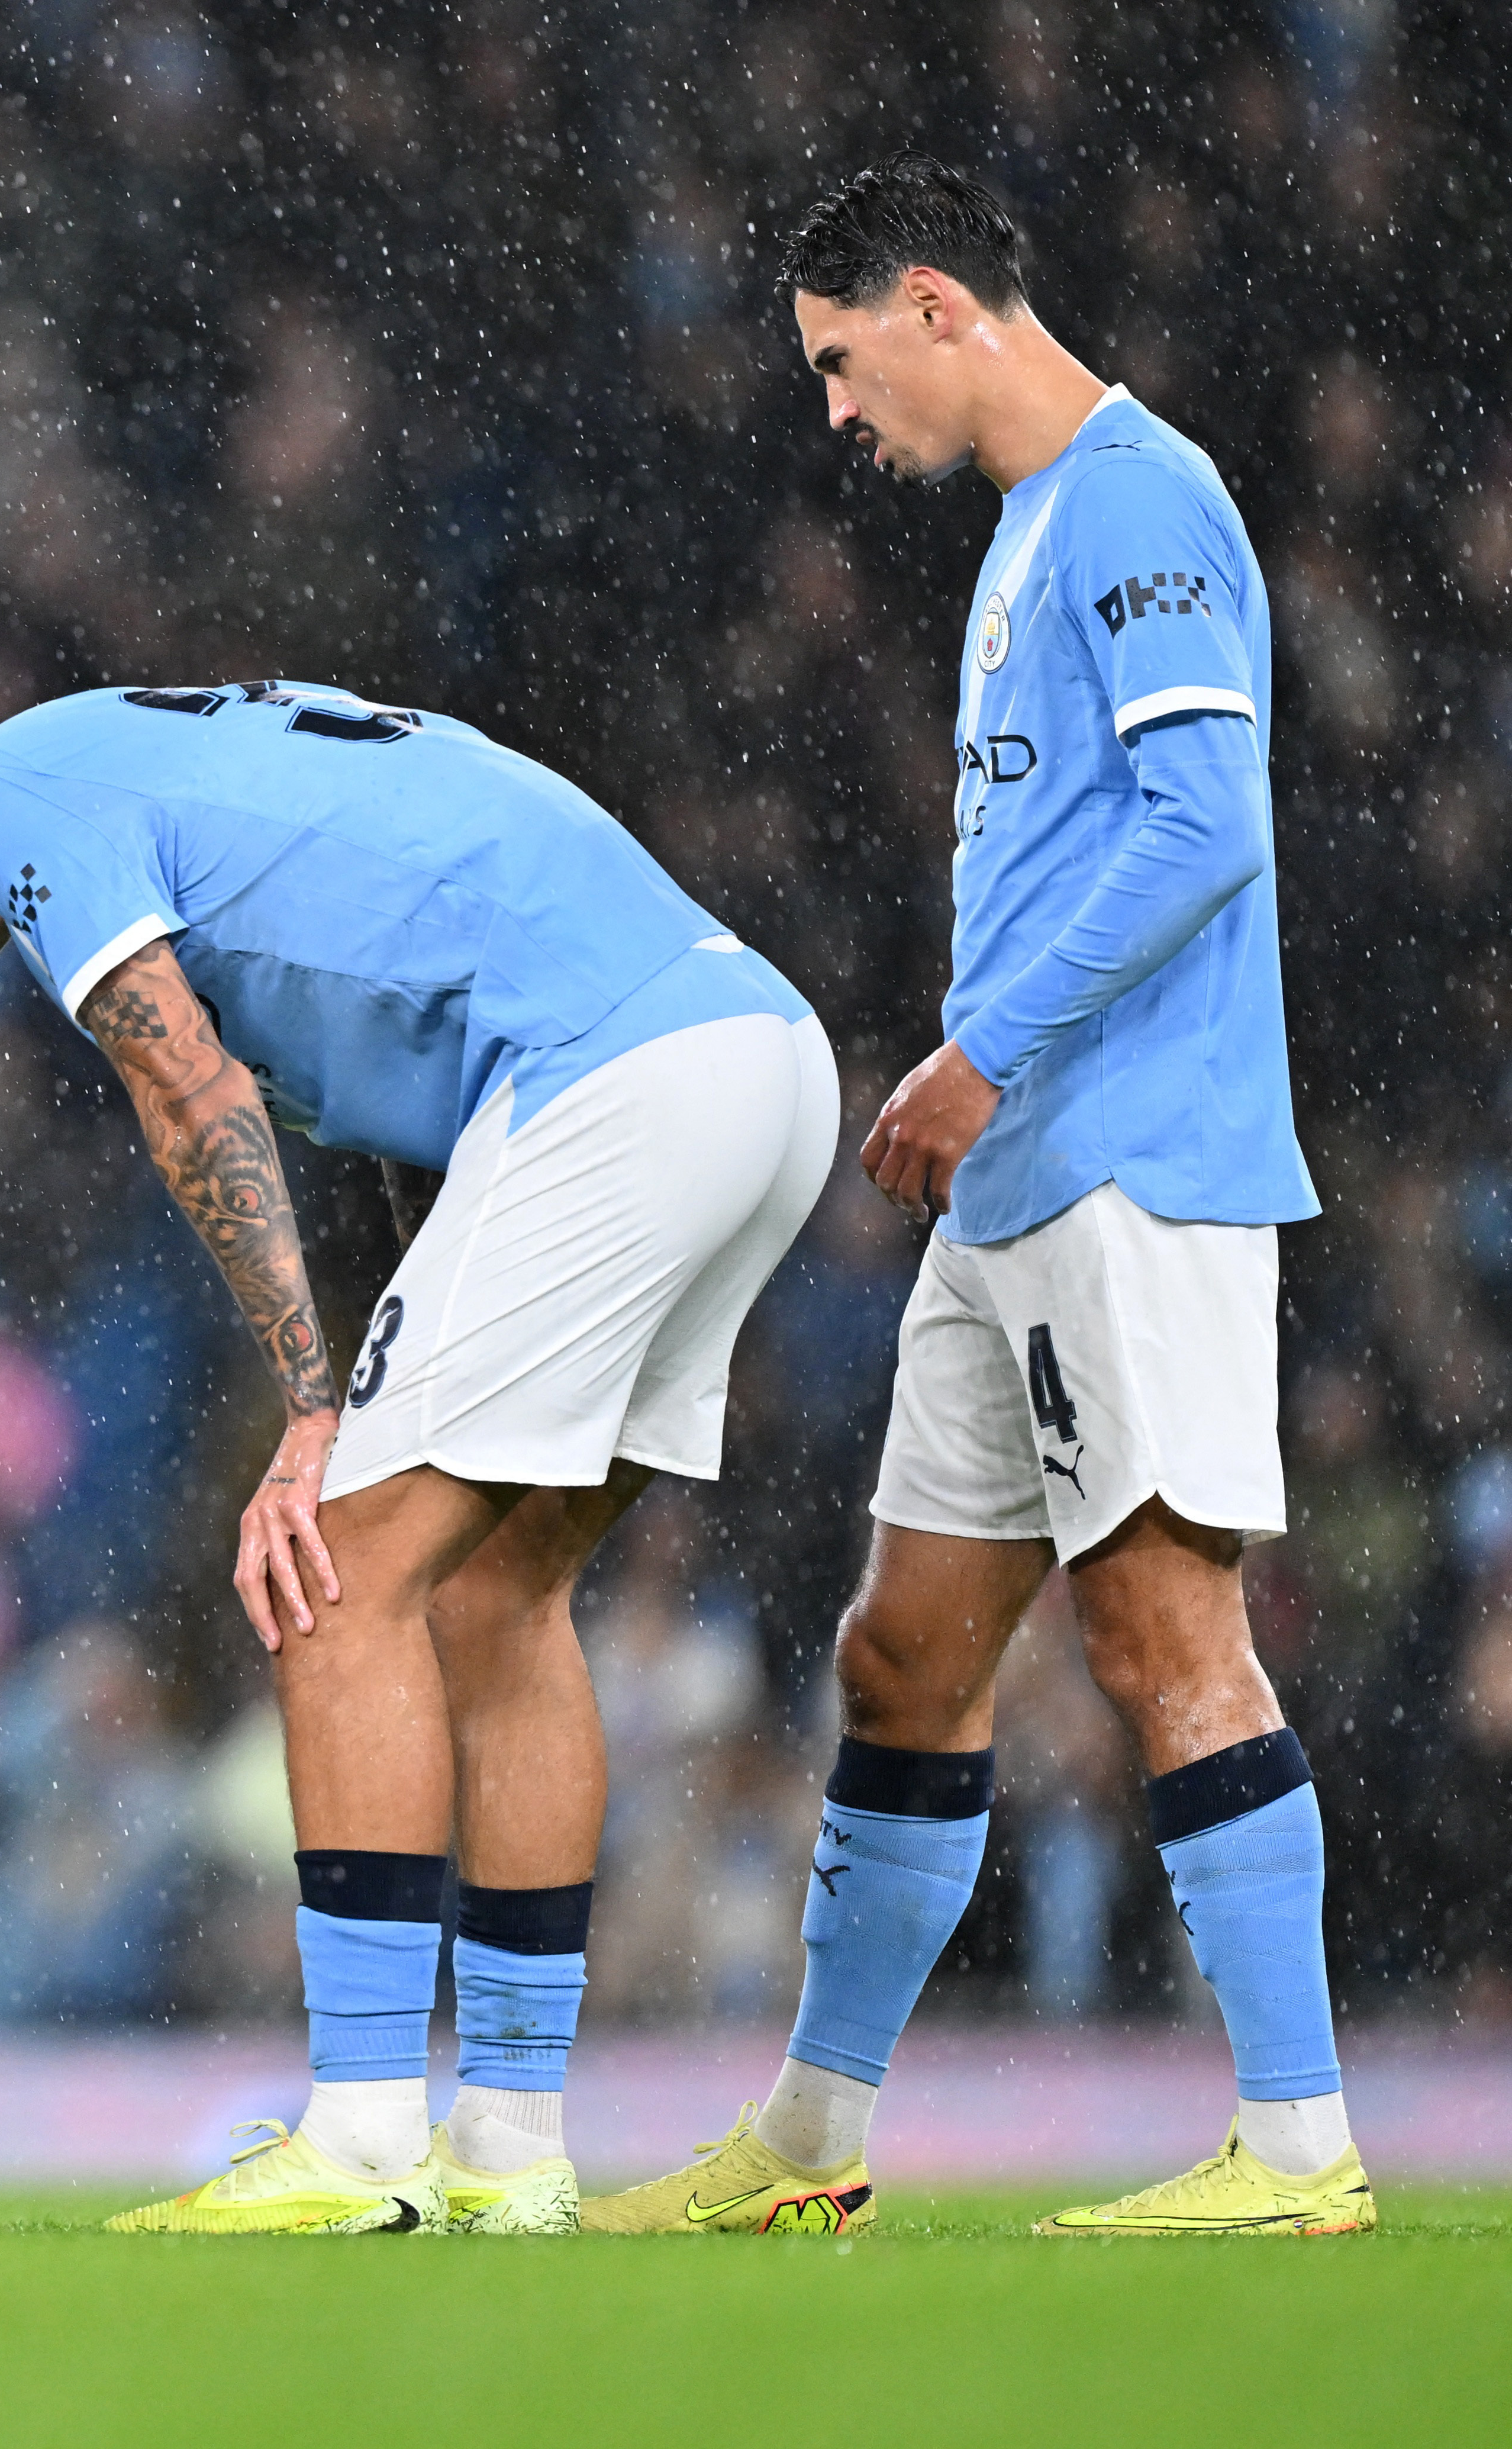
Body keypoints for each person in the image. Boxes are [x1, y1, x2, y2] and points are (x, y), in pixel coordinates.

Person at [0, 628, 833, 2236]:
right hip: (748, 1053)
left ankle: (366, 2132)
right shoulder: (154, 759)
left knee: (333, 1571)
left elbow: (192, 1096)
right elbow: (419, 1112)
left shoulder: (19, 795)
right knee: (493, 1596)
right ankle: (510, 2142)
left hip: (614, 1077)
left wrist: (316, 1408)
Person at [584, 159, 1365, 2240]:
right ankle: (810, 2132)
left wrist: (983, 1041)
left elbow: (1203, 823)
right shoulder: (1032, 531)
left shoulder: (1134, 496)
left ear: (931, 303)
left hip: (1133, 1156)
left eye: (840, 363)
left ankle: (1297, 2149)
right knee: (904, 1650)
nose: (835, 414)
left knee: (1158, 1624)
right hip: (1014, 1186)